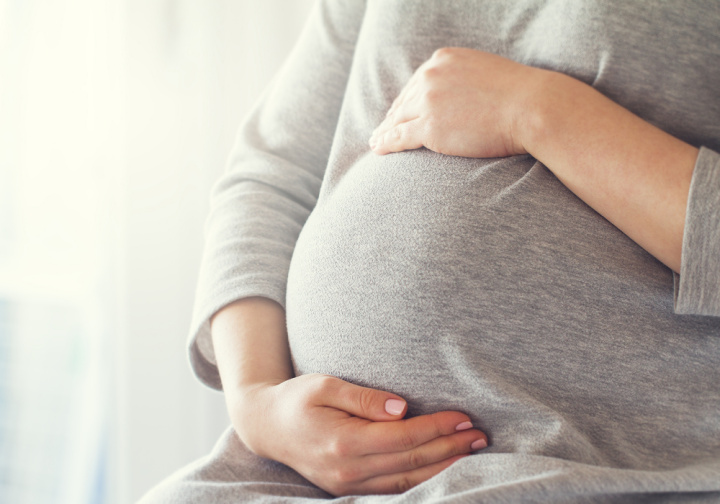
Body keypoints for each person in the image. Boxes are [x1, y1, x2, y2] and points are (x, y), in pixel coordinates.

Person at [140, 0, 720, 502]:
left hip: (614, 473)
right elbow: (272, 174)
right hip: (297, 476)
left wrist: (537, 110)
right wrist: (257, 405)